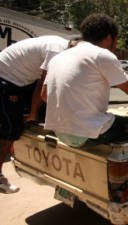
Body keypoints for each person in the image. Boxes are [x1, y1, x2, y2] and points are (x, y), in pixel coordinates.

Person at [42, 14, 128, 148]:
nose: (115, 46)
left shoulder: (57, 58)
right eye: (116, 41)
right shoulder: (101, 54)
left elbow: (44, 95)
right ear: (109, 37)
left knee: (113, 120)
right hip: (84, 133)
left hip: (60, 132)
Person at [0, 35, 79, 193]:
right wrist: (34, 113)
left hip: (21, 81)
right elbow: (43, 91)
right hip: (6, 78)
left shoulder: (60, 46)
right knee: (10, 129)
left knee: (27, 121)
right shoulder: (57, 51)